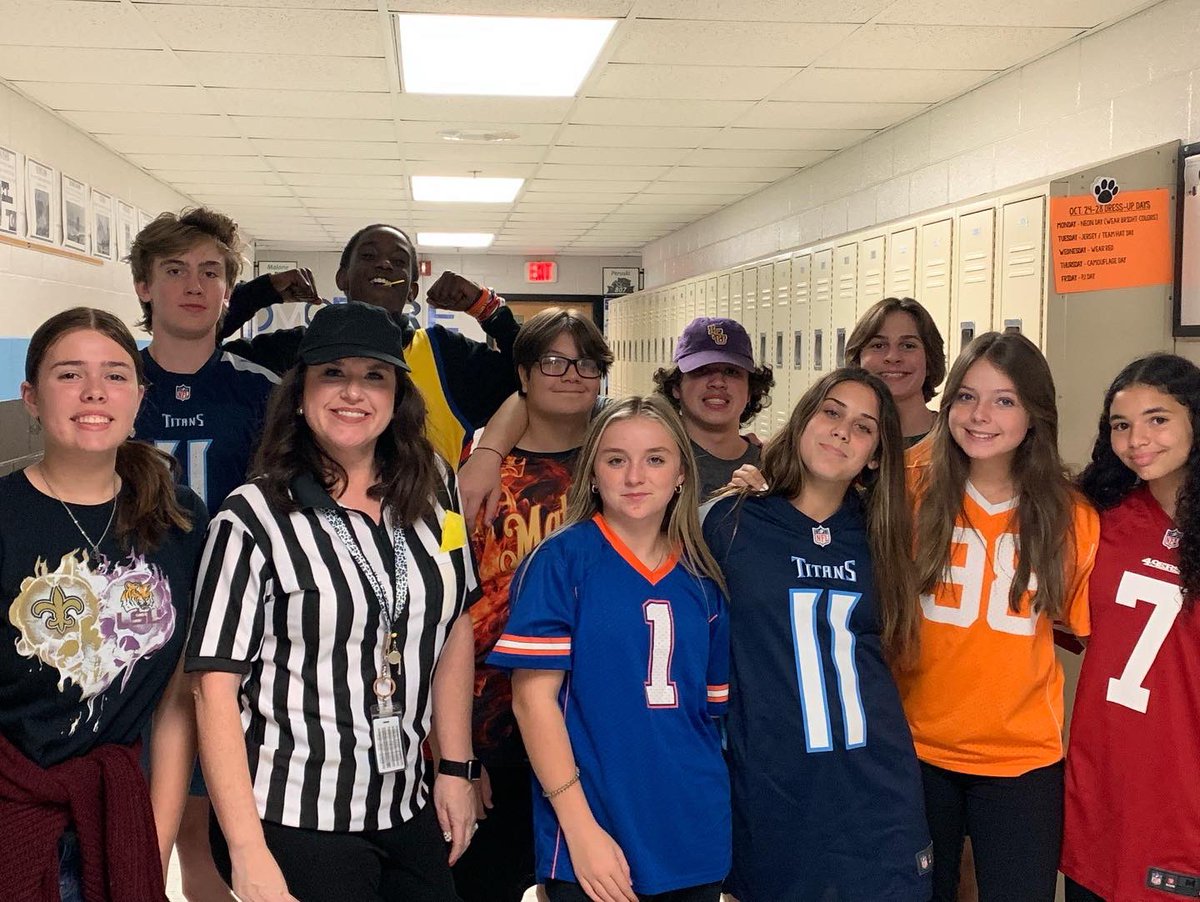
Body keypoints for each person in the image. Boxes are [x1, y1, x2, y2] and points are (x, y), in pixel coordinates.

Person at [187, 302, 479, 902]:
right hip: (291, 812)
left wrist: (455, 766)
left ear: (399, 395)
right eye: (332, 374)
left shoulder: (436, 487)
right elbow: (212, 687)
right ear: (299, 394)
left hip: (404, 801)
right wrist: (246, 853)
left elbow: (453, 627)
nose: (354, 393)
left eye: (375, 376)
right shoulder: (252, 517)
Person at [702, 368, 931, 902]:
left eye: (864, 426)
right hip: (772, 787)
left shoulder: (883, 538)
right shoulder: (730, 522)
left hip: (876, 788)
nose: (842, 431)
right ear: (804, 418)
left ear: (876, 455)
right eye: (832, 412)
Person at [489, 395, 730, 902]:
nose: (635, 476)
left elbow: (707, 720)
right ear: (593, 473)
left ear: (682, 472)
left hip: (693, 829)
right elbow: (533, 703)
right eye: (616, 459)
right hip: (593, 829)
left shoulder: (704, 581)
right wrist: (579, 829)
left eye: (655, 459)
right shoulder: (561, 562)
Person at [0, 307, 206, 900]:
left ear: (140, 396)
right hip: (12, 814)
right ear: (30, 397)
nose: (94, 391)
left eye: (116, 375)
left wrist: (153, 843)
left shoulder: (180, 524)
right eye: (68, 374)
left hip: (116, 822)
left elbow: (174, 704)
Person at [896, 332, 1099, 902]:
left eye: (1004, 400)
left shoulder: (1071, 516)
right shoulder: (907, 486)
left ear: (1035, 414)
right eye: (966, 396)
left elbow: (1067, 624)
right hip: (915, 749)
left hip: (1022, 760)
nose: (980, 416)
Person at [130, 207, 282, 901]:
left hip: (226, 614)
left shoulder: (260, 392)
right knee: (132, 803)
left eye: (210, 272)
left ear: (229, 291)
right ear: (143, 286)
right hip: (125, 615)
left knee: (206, 810)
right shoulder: (109, 379)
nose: (193, 285)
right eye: (174, 270)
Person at [454, 308, 612, 902]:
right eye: (552, 361)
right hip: (492, 726)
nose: (571, 374)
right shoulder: (472, 476)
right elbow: (445, 613)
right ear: (522, 374)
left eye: (587, 362)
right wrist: (454, 752)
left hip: (592, 727)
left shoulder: (620, 466)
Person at [1061, 354, 1200, 902]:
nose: (1137, 439)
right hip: (1103, 783)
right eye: (1122, 425)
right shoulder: (1100, 520)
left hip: (1182, 796)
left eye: (1157, 419)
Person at [217, 222, 521, 469]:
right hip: (312, 534)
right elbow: (198, 355)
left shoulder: (448, 355)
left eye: (399, 262)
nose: (385, 264)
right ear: (342, 278)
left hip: (428, 534)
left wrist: (488, 309)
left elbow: (537, 375)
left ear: (412, 290)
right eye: (368, 256)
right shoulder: (297, 349)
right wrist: (260, 293)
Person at [653, 317, 773, 499]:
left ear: (750, 390)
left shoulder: (773, 466)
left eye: (731, 372)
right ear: (676, 387)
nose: (718, 382)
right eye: (702, 370)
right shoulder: (654, 462)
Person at [845, 297, 947, 448]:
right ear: (858, 359)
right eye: (878, 345)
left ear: (930, 360)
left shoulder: (956, 442)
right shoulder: (841, 440)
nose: (892, 357)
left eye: (908, 345)